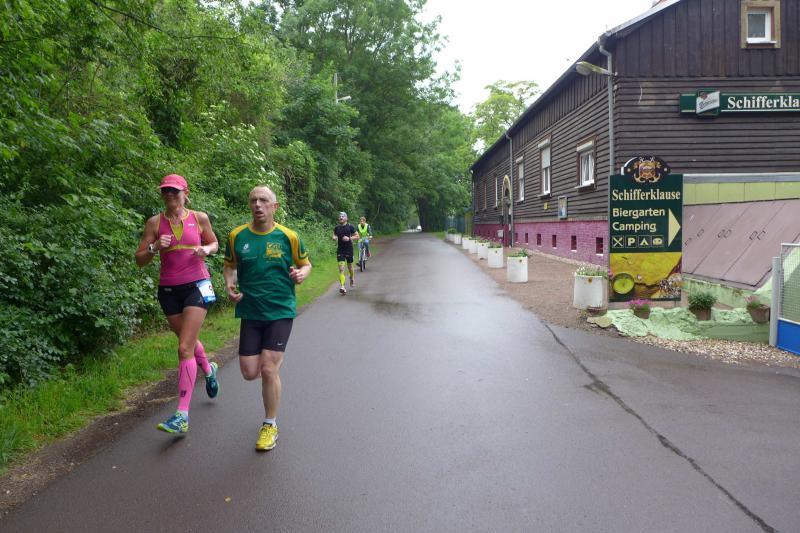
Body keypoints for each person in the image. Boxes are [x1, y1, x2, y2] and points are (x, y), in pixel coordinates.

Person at [223, 186, 312, 451]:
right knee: (249, 372)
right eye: (253, 200)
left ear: (275, 206)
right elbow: (230, 265)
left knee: (268, 368)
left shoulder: (288, 236)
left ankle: (269, 425)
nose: (258, 205)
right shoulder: (237, 236)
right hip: (250, 311)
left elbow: (306, 264)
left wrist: (302, 274)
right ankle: (270, 370)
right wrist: (229, 284)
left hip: (280, 310)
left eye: (263, 200)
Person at [135, 174, 220, 435]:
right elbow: (139, 259)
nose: (169, 195)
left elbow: (214, 243)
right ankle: (208, 369)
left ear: (185, 193)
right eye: (165, 191)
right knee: (188, 340)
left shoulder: (199, 218)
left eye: (174, 190)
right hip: (169, 290)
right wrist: (153, 247)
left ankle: (182, 415)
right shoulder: (154, 223)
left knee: (184, 347)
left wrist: (206, 250)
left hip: (197, 286)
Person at [332, 212, 358, 294]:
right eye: (340, 216)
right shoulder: (337, 228)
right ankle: (342, 286)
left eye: (342, 216)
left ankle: (352, 277)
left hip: (349, 250)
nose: (341, 217)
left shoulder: (350, 227)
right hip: (340, 250)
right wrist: (334, 237)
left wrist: (349, 238)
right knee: (341, 269)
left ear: (346, 218)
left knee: (350, 267)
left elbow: (357, 236)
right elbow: (334, 235)